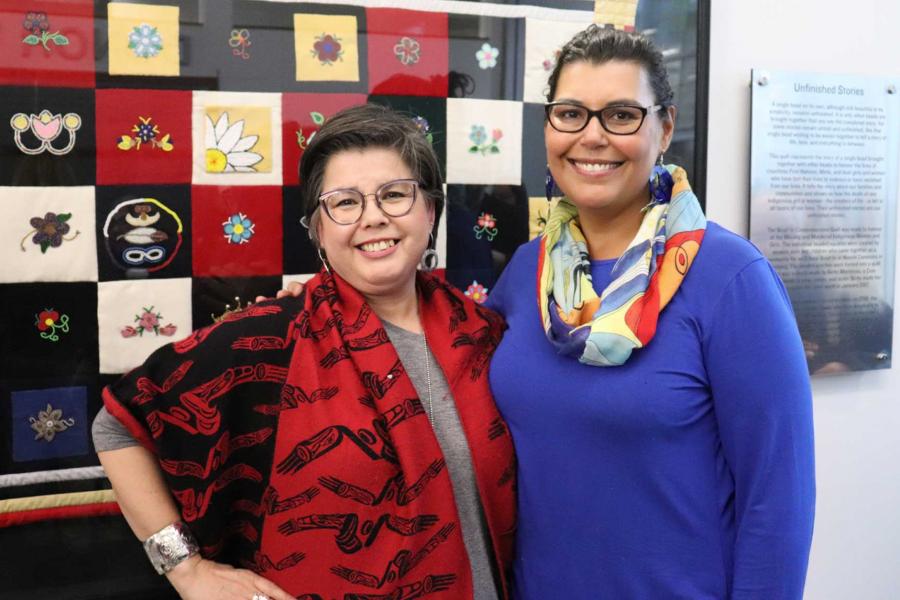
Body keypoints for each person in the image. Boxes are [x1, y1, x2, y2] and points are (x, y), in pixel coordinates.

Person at [277, 25, 815, 599]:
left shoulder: (730, 279)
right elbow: (429, 323)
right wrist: (330, 296)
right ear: (549, 127)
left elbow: (777, 502)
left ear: (665, 129)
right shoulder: (532, 270)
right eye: (571, 114)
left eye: (622, 115)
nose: (593, 136)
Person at [93, 104, 516, 600]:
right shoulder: (270, 339)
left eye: (395, 195)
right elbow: (116, 424)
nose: (374, 217)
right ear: (317, 228)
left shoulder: (485, 334)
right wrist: (185, 569)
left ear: (431, 210)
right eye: (344, 203)